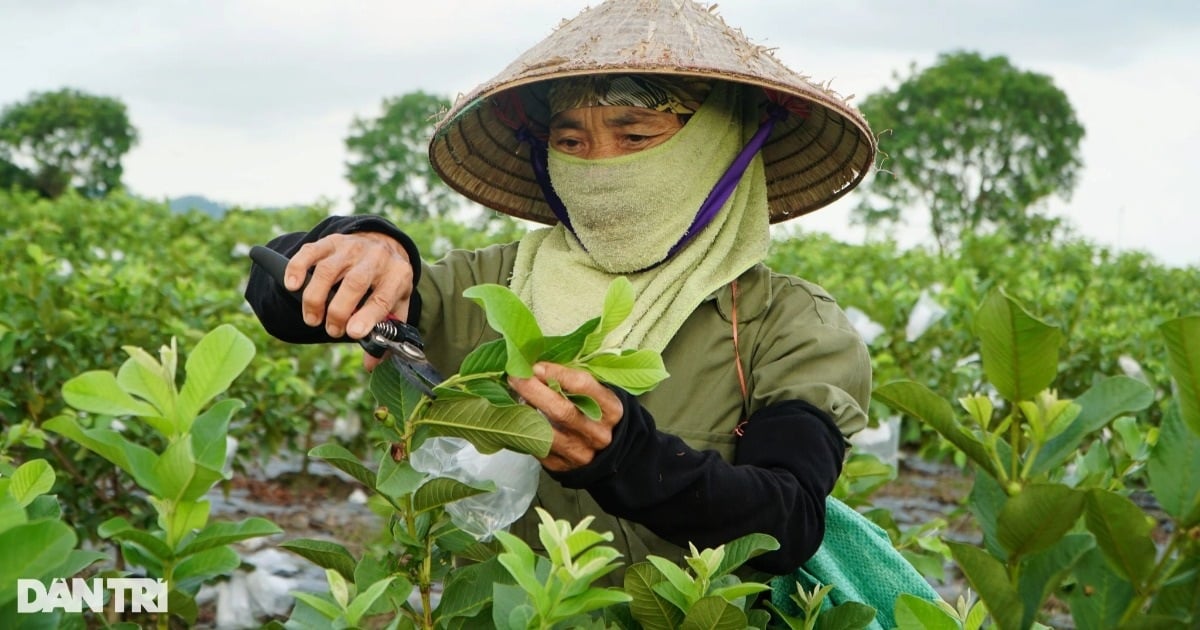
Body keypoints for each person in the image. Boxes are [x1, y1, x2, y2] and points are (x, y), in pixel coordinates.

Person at [245, 0, 876, 577]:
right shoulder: (491, 284)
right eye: (571, 141)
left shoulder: (787, 324)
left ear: (720, 145)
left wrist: (628, 458)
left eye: (636, 136)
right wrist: (364, 243)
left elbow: (788, 520)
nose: (600, 164)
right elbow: (287, 300)